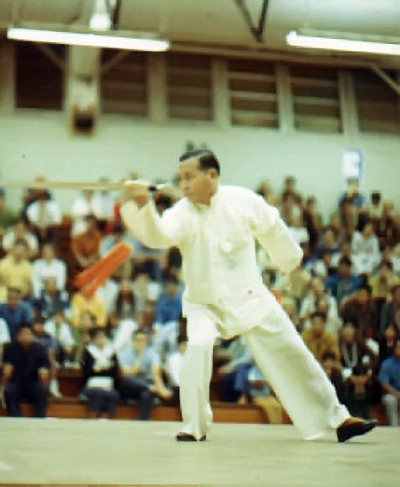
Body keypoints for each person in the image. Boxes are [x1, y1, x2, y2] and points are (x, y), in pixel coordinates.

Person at [121, 149, 377, 442]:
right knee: (199, 345)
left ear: (212, 175)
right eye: (181, 178)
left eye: (190, 177)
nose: (185, 184)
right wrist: (143, 204)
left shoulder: (242, 201)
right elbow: (158, 237)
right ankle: (194, 426)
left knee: (292, 350)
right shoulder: (182, 212)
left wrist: (289, 262)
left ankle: (337, 418)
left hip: (250, 296)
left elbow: (272, 226)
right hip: (204, 303)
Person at [1, 325, 50, 417]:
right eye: (23, 334)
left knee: (42, 391)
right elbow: (7, 369)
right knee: (9, 391)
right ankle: (15, 417)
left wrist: (44, 379)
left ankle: (39, 417)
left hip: (33, 382)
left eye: (28, 334)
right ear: (17, 336)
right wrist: (2, 386)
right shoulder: (10, 348)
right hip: (16, 382)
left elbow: (45, 368)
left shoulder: (40, 349)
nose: (26, 337)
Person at [81, 327, 120, 419]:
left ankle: (108, 415)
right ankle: (93, 413)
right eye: (98, 338)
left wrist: (101, 369)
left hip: (108, 383)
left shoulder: (111, 352)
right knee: (97, 393)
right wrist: (104, 368)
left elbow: (115, 370)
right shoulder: (88, 352)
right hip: (92, 383)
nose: (101, 340)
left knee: (114, 395)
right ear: (93, 339)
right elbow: (86, 371)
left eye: (103, 337)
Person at [378, 337, 400, 426]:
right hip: (391, 394)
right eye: (398, 347)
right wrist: (397, 394)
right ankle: (394, 427)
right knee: (391, 400)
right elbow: (384, 383)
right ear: (394, 349)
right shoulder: (387, 364)